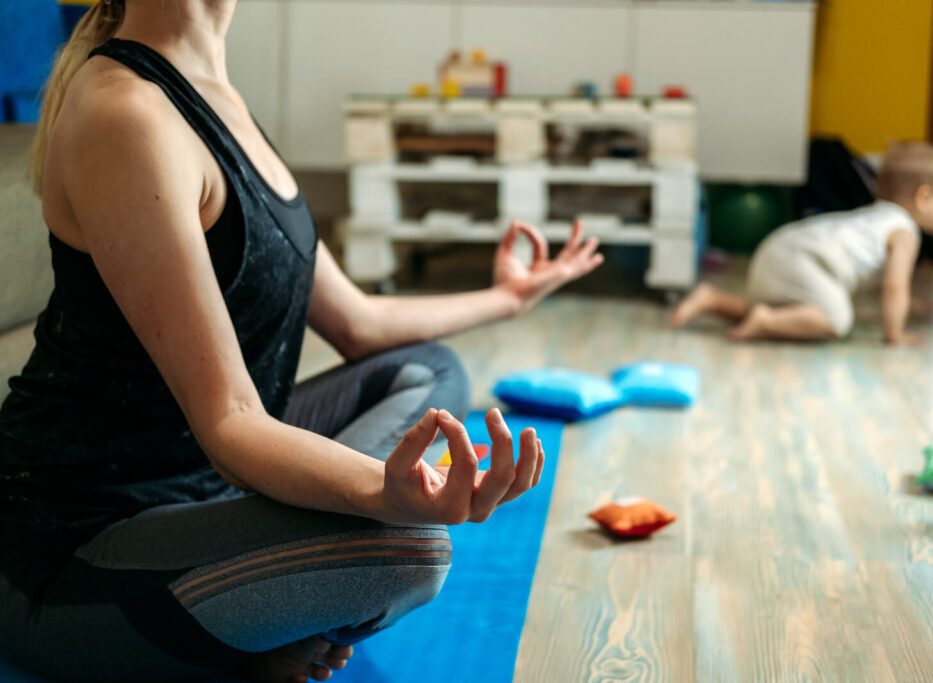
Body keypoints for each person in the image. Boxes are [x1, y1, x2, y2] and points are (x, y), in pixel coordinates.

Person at [0, 2, 604, 681]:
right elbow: (230, 424)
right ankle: (251, 625)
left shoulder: (218, 97)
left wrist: (507, 297)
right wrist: (386, 495)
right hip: (71, 546)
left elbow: (358, 324)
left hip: (206, 482)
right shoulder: (125, 112)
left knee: (425, 371)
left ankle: (262, 609)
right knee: (409, 552)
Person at [670, 142, 933, 345]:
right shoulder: (903, 231)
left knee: (795, 311)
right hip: (805, 259)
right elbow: (895, 287)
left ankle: (713, 299)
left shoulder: (874, 218)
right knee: (836, 320)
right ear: (924, 197)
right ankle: (766, 321)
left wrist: (911, 304)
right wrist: (895, 334)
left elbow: (884, 288)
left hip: (780, 247)